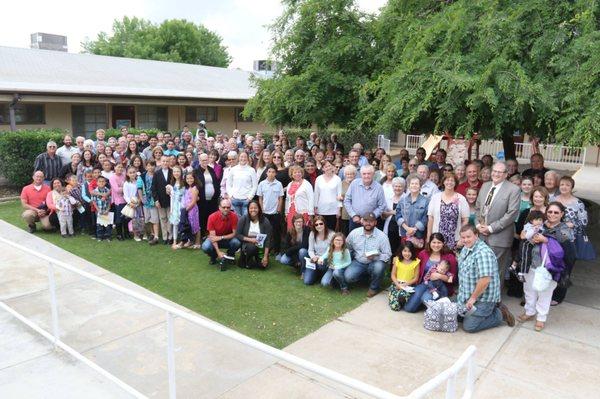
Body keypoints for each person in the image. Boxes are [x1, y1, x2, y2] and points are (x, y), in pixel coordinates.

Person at [457, 225, 515, 333]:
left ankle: (500, 314)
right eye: (463, 237)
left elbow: (485, 280)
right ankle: (484, 312)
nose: (465, 240)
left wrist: (473, 298)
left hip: (483, 298)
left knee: (469, 326)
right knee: (456, 317)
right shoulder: (466, 248)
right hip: (467, 295)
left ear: (476, 235)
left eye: (468, 237)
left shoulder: (483, 253)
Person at [476, 161, 521, 284]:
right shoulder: (485, 186)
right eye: (494, 171)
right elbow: (478, 208)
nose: (496, 174)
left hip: (499, 237)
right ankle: (479, 298)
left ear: (506, 174)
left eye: (499, 172)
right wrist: (479, 225)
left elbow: (512, 214)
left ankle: (495, 301)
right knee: (480, 269)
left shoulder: (514, 189)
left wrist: (490, 228)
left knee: (496, 271)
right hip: (481, 236)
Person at [335, 212, 392, 297]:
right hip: (358, 262)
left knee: (379, 267)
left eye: (371, 221)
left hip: (374, 262)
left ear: (375, 222)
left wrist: (376, 256)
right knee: (348, 277)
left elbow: (388, 254)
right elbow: (347, 247)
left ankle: (374, 288)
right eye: (366, 220)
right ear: (362, 221)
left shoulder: (382, 236)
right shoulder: (354, 233)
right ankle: (366, 278)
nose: (368, 223)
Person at [404, 234, 458, 313]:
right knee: (409, 308)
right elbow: (413, 264)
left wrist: (439, 276)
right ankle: (423, 303)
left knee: (426, 298)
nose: (436, 245)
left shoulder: (449, 257)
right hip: (424, 283)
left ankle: (431, 301)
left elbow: (453, 278)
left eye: (439, 242)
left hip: (439, 287)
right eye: (434, 242)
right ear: (430, 243)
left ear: (443, 243)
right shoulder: (423, 254)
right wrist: (399, 259)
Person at [426, 173, 469, 250]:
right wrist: (429, 236)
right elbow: (430, 218)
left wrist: (462, 238)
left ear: (455, 183)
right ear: (443, 182)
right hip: (437, 239)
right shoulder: (435, 197)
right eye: (447, 180)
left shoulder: (461, 198)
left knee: (452, 261)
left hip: (455, 239)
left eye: (452, 180)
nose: (449, 182)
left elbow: (465, 220)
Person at [343, 165, 387, 232]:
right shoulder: (354, 184)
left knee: (371, 241)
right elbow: (347, 200)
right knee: (354, 241)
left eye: (369, 173)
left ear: (373, 174)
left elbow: (382, 205)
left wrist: (371, 217)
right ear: (361, 174)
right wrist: (353, 215)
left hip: (371, 222)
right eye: (364, 174)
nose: (366, 176)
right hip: (355, 220)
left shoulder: (379, 187)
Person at [201, 199, 242, 269]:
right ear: (219, 207)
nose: (226, 209)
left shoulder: (234, 216)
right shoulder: (212, 217)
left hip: (227, 239)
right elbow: (213, 238)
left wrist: (221, 237)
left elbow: (234, 234)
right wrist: (218, 252)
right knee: (206, 246)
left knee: (237, 242)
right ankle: (214, 256)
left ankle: (230, 255)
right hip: (215, 240)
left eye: (228, 207)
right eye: (224, 207)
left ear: (230, 207)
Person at [236, 200, 273, 269]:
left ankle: (258, 258)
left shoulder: (265, 221)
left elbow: (268, 240)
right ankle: (247, 260)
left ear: (259, 209)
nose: (253, 210)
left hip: (261, 246)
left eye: (255, 208)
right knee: (251, 247)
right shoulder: (243, 219)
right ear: (248, 209)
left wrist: (265, 256)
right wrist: (251, 240)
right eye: (251, 208)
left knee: (262, 266)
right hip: (248, 244)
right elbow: (238, 235)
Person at [257, 165, 284, 254]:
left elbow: (280, 198)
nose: (271, 174)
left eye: (273, 172)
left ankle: (276, 250)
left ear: (276, 173)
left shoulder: (279, 184)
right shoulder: (262, 184)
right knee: (263, 231)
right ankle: (260, 248)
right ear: (266, 173)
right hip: (265, 212)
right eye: (269, 172)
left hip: (275, 212)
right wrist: (262, 210)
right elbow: (260, 198)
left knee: (276, 231)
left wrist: (278, 209)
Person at [396, 174, 429, 249]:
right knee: (405, 256)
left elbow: (425, 217)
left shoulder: (426, 201)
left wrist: (414, 229)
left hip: (418, 236)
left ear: (420, 186)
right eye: (412, 183)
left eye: (416, 184)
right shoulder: (402, 200)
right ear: (408, 186)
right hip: (405, 234)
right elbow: (398, 215)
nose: (414, 185)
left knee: (417, 258)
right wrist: (407, 228)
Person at [388, 242, 420, 311]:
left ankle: (402, 300)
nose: (407, 254)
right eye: (405, 251)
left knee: (402, 295)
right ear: (401, 251)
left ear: (412, 252)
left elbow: (416, 278)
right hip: (396, 284)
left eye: (409, 251)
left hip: (408, 285)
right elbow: (393, 274)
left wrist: (404, 285)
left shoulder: (416, 262)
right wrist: (397, 284)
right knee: (395, 307)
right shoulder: (397, 260)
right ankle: (396, 299)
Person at [303, 215, 335, 285]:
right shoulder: (312, 234)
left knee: (325, 283)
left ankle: (327, 273)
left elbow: (331, 251)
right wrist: (313, 257)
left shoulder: (332, 234)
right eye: (316, 224)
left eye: (321, 223)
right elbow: (310, 250)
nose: (319, 226)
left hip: (327, 260)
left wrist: (321, 258)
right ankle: (317, 274)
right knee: (307, 282)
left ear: (324, 224)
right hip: (315, 259)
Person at [194, 153, 220, 234]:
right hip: (201, 199)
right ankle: (203, 234)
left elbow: (215, 182)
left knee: (212, 217)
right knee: (202, 217)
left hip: (213, 199)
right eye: (203, 160)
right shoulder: (196, 171)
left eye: (206, 160)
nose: (205, 161)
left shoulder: (211, 169)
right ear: (199, 161)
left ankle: (211, 233)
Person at [314, 160, 342, 230]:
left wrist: (339, 210)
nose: (328, 168)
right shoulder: (318, 179)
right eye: (326, 166)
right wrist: (315, 207)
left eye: (329, 166)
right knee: (321, 230)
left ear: (332, 166)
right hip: (321, 209)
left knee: (331, 231)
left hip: (333, 210)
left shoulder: (337, 179)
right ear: (323, 168)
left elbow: (339, 195)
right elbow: (316, 194)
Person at [226, 151, 257, 217]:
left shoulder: (251, 170)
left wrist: (249, 198)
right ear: (238, 158)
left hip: (246, 200)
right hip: (235, 199)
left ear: (247, 158)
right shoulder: (233, 169)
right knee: (237, 220)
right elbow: (228, 184)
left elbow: (255, 186)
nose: (243, 159)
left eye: (245, 157)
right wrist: (231, 196)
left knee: (246, 220)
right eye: (241, 157)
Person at [152, 156, 173, 244]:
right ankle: (164, 237)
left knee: (170, 218)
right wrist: (156, 200)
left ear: (169, 162)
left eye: (167, 161)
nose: (165, 163)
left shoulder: (172, 172)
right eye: (163, 161)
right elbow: (154, 188)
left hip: (170, 200)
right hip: (160, 200)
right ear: (160, 162)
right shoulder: (157, 173)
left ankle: (170, 237)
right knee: (163, 218)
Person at [138, 160, 160, 245]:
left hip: (154, 199)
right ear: (146, 167)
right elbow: (139, 187)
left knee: (155, 218)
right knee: (148, 219)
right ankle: (152, 233)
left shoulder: (157, 175)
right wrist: (141, 199)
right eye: (149, 166)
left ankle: (156, 236)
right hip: (145, 200)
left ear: (155, 166)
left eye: (152, 165)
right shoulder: (142, 176)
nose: (150, 167)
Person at [123, 166, 144, 242]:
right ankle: (135, 235)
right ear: (127, 174)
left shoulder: (139, 181)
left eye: (134, 172)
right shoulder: (126, 183)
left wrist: (139, 200)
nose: (132, 174)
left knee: (140, 218)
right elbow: (125, 195)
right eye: (130, 173)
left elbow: (141, 191)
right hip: (132, 204)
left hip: (139, 202)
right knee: (134, 220)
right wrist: (130, 203)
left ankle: (141, 233)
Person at [167, 166, 185, 249]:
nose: (176, 173)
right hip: (174, 206)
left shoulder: (184, 183)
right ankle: (174, 240)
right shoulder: (172, 184)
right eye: (174, 172)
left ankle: (183, 241)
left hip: (182, 206)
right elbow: (172, 197)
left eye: (178, 171)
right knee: (175, 224)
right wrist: (171, 209)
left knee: (182, 223)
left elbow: (185, 196)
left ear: (181, 172)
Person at [109, 163, 128, 240]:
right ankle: (119, 234)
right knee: (119, 218)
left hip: (126, 199)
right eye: (118, 167)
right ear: (114, 168)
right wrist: (125, 188)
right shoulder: (112, 177)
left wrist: (122, 188)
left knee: (126, 217)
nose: (120, 169)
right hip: (118, 201)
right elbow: (117, 190)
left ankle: (126, 233)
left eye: (121, 167)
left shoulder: (124, 176)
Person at [91, 176, 112, 241]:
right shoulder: (95, 191)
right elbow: (94, 201)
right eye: (99, 181)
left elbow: (109, 201)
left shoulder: (108, 191)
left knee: (107, 225)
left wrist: (108, 209)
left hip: (106, 210)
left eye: (103, 181)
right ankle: (100, 237)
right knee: (99, 224)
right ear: (97, 183)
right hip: (98, 210)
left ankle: (107, 236)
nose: (101, 183)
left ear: (105, 182)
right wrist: (98, 210)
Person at [339, 165, 357, 235]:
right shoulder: (341, 184)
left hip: (355, 212)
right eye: (347, 174)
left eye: (351, 174)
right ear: (345, 175)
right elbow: (338, 196)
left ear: (355, 174)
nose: (349, 175)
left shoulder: (357, 183)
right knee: (345, 233)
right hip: (344, 212)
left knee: (354, 233)